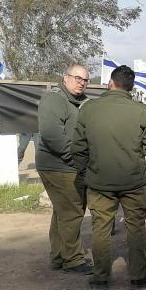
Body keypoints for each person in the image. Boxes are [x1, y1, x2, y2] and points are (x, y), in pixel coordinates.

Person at [71, 65, 146, 287]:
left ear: (110, 83)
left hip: (99, 181)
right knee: (136, 227)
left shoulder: (89, 109)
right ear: (130, 88)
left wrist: (85, 173)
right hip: (134, 182)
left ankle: (101, 276)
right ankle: (138, 275)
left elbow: (78, 148)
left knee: (101, 228)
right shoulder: (142, 111)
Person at [36, 64, 92, 274]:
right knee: (72, 210)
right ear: (65, 77)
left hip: (67, 164)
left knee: (62, 210)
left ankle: (58, 256)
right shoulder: (54, 99)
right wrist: (75, 159)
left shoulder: (82, 102)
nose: (81, 83)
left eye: (85, 80)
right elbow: (52, 136)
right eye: (77, 78)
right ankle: (73, 259)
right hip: (58, 165)